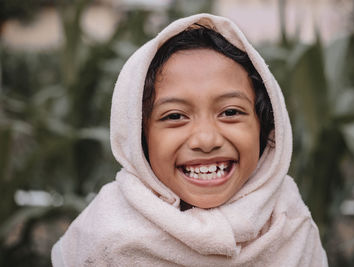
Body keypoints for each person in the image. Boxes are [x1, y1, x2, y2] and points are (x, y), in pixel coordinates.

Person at [52, 14, 328, 266]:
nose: (206, 140)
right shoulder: (104, 237)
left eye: (230, 112)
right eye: (175, 116)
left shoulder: (289, 226)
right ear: (140, 136)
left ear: (265, 126)